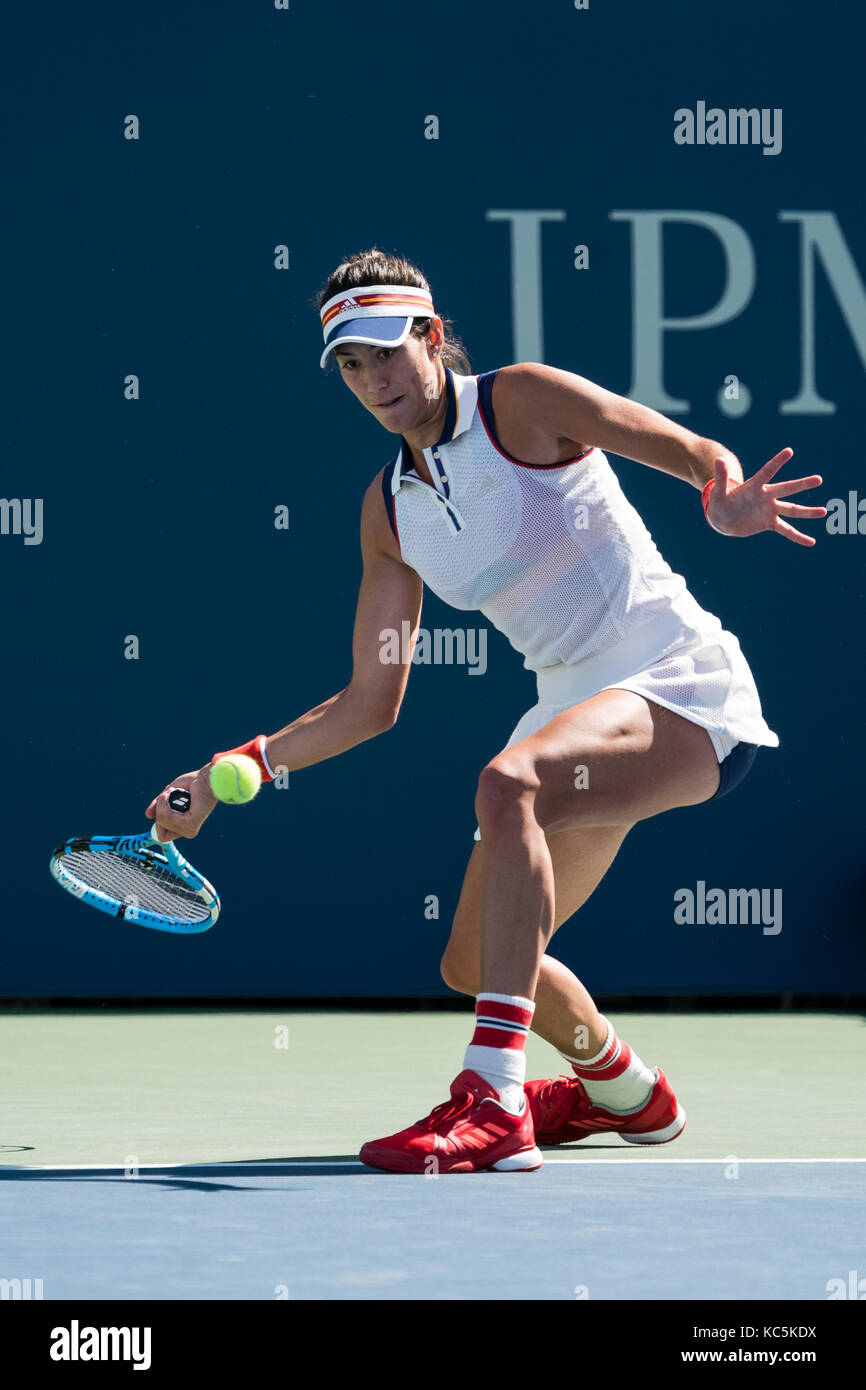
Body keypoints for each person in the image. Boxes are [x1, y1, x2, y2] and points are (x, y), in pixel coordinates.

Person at [147, 248, 825, 1174]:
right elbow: (371, 700)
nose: (374, 379)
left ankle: (492, 1100)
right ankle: (627, 1094)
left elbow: (681, 448)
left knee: (511, 782)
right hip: (574, 711)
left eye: (388, 351)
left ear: (431, 337)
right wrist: (240, 768)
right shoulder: (389, 513)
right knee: (476, 962)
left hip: (677, 683)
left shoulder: (523, 402)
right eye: (351, 364)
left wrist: (723, 488)